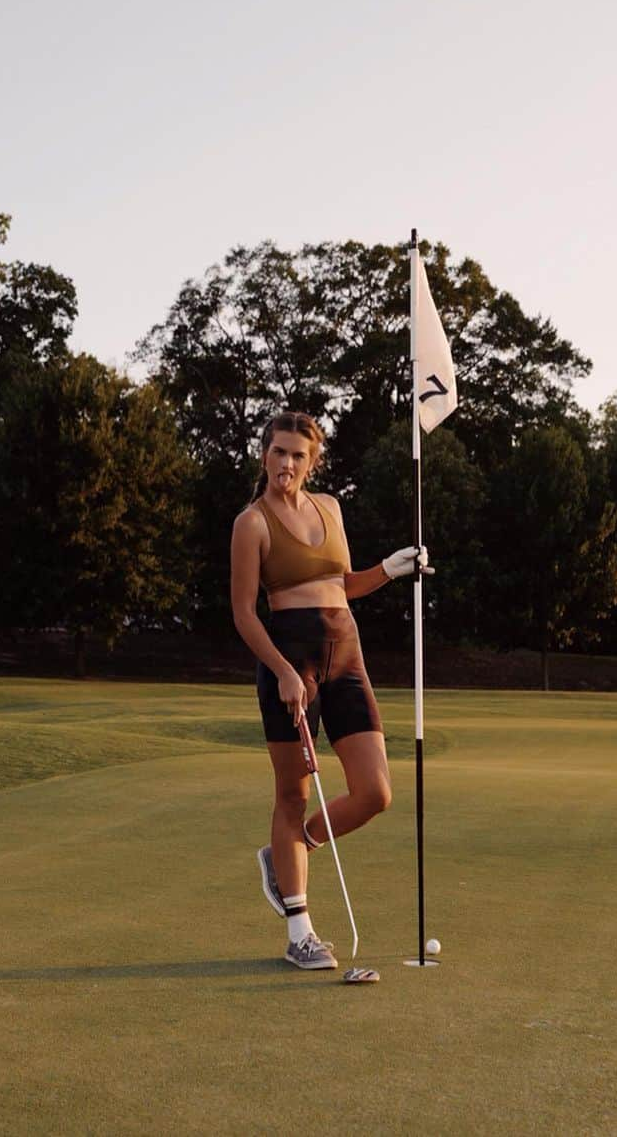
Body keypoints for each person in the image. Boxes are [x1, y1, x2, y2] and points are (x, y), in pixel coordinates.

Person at [230, 410, 427, 969]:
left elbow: (342, 584)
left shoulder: (331, 509)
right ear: (263, 455)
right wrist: (284, 672)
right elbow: (244, 614)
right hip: (289, 662)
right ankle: (300, 931)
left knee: (375, 793)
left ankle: (289, 852)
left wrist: (390, 568)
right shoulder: (253, 523)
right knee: (292, 795)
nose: (286, 464)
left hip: (347, 654)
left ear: (312, 460)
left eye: (297, 455)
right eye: (277, 452)